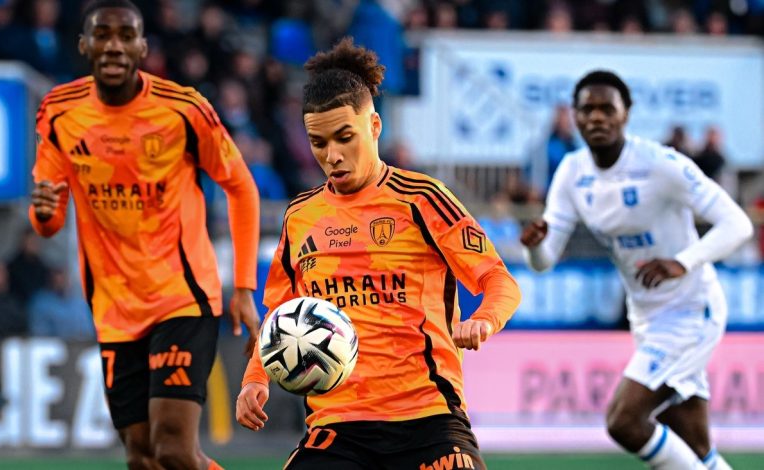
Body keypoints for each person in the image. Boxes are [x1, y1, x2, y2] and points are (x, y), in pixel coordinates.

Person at [236, 38, 521, 469]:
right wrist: (255, 379)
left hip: (428, 419)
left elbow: (500, 281)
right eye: (318, 142)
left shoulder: (422, 199)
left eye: (344, 137)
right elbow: (280, 313)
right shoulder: (300, 216)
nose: (332, 156)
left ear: (374, 126)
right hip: (337, 426)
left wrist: (484, 319)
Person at [28, 1, 260, 468]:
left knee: (173, 448)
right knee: (142, 457)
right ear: (84, 46)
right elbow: (47, 222)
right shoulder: (60, 112)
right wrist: (44, 214)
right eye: (102, 35)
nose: (114, 45)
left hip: (182, 297)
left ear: (142, 47)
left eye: (125, 36)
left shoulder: (183, 109)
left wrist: (243, 287)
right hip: (114, 308)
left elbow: (241, 188)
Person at [520, 70, 753, 470]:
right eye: (587, 109)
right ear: (575, 116)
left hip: (691, 310)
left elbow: (738, 224)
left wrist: (683, 261)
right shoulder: (573, 173)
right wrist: (535, 247)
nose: (597, 117)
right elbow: (544, 263)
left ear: (626, 114)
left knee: (624, 421)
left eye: (607, 108)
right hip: (645, 317)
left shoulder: (661, 164)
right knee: (696, 447)